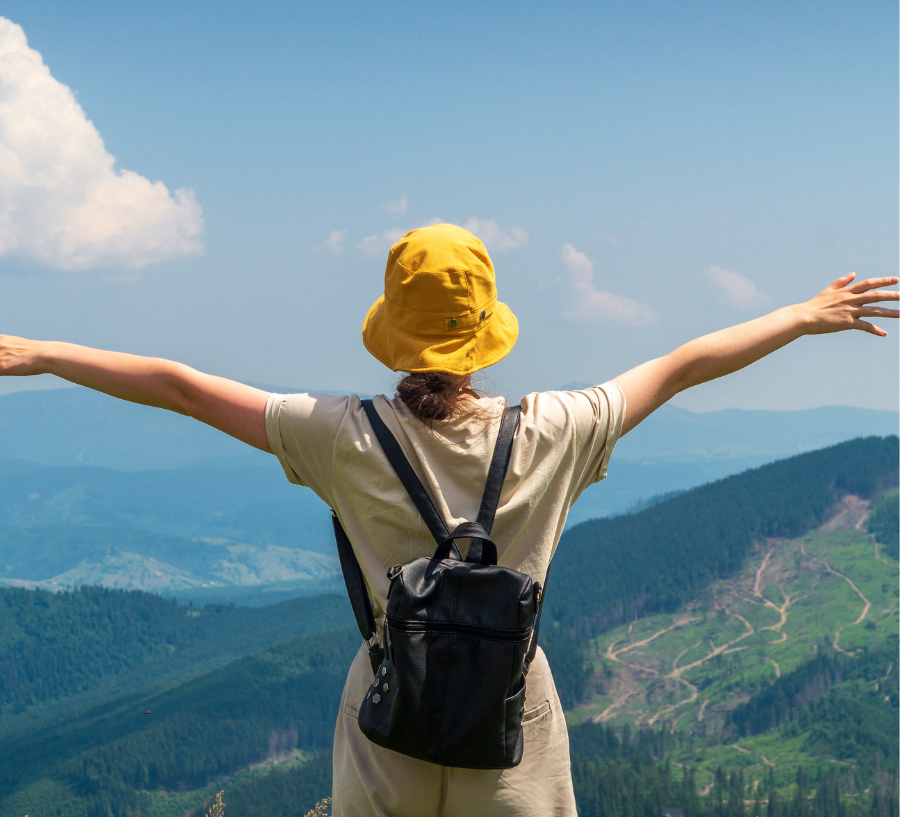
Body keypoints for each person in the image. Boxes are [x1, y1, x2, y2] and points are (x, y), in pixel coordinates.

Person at [0, 223, 896, 817]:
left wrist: (40, 352)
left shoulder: (339, 434)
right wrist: (802, 315)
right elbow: (686, 362)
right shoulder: (558, 427)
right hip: (515, 713)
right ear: (485, 334)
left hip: (388, 698)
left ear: (393, 330)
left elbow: (179, 385)